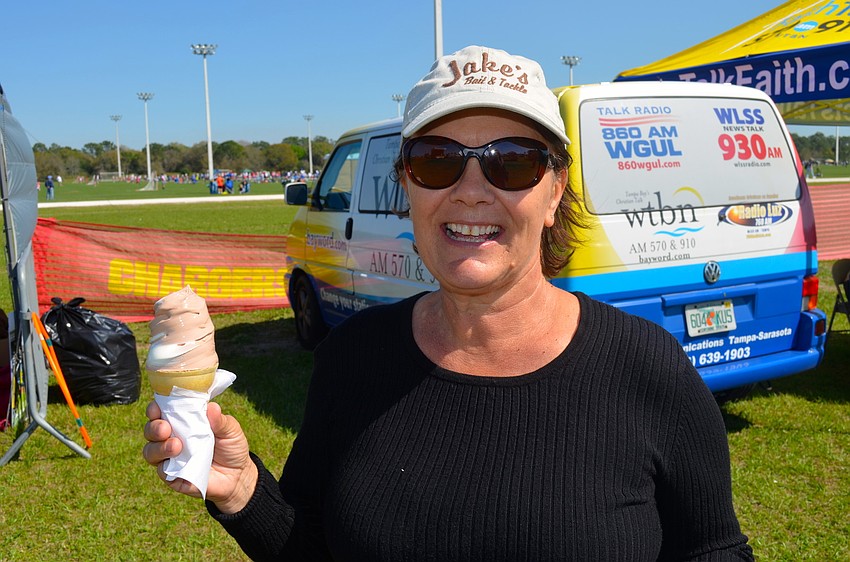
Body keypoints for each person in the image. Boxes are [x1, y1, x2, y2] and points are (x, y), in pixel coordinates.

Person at [143, 45, 754, 560]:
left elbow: (713, 550)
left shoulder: (646, 364)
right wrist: (243, 488)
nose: (470, 191)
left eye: (512, 164)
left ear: (554, 191)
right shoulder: (352, 357)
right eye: (438, 161)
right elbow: (315, 544)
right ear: (407, 184)